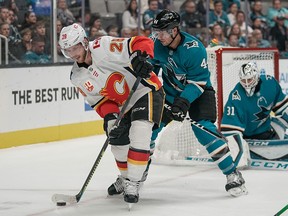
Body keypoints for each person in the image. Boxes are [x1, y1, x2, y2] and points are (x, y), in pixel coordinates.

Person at [58, 23, 164, 205]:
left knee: (140, 132)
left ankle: (134, 183)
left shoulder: (103, 46)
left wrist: (141, 57)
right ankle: (126, 178)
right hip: (123, 104)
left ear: (84, 42)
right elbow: (100, 101)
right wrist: (110, 116)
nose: (72, 54)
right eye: (68, 51)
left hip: (145, 90)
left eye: (75, 48)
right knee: (116, 139)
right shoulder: (76, 76)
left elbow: (141, 41)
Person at [148, 9, 248, 197]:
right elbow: (150, 69)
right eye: (156, 31)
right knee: (147, 130)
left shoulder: (194, 48)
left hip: (199, 93)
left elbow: (198, 82)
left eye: (162, 32)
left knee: (204, 131)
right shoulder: (156, 44)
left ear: (174, 30)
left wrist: (183, 102)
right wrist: (144, 67)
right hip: (170, 95)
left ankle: (232, 174)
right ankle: (133, 178)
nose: (158, 36)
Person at [221, 62, 288, 140]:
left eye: (249, 80)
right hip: (245, 136)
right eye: (243, 80)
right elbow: (230, 130)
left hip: (265, 131)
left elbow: (283, 108)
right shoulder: (236, 96)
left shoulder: (270, 84)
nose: (246, 84)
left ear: (256, 76)